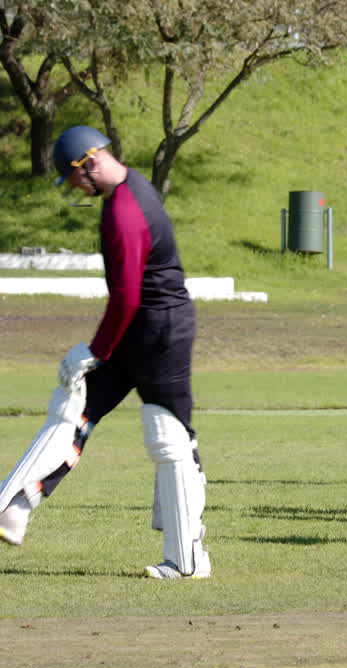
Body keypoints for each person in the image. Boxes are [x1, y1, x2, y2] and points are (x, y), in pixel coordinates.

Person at [0, 126, 211, 579]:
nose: (74, 186)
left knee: (169, 437)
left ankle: (188, 560)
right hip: (141, 328)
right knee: (73, 405)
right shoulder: (126, 193)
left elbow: (128, 296)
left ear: (89, 162)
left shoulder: (126, 211)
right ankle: (13, 506)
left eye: (73, 177)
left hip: (161, 331)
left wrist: (94, 349)